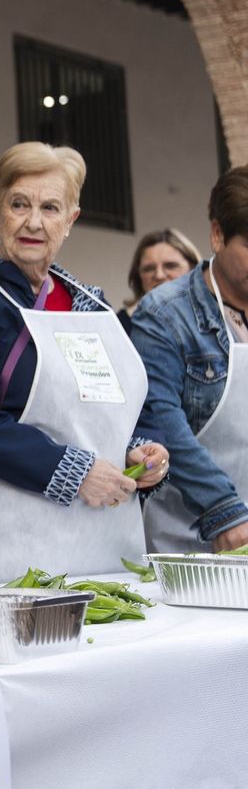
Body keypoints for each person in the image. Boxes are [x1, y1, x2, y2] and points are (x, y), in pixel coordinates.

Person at [0, 143, 168, 584]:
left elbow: (134, 401)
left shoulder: (91, 305)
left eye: (50, 207)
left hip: (104, 532)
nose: (34, 221)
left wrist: (146, 447)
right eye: (20, 204)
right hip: (3, 529)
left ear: (70, 219)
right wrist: (72, 471)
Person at [131, 170, 248, 553]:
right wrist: (225, 510)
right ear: (217, 234)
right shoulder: (164, 314)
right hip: (190, 537)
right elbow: (163, 420)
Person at [117, 228, 201, 332]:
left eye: (170, 266)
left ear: (194, 269)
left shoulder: (216, 317)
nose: (159, 275)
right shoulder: (119, 326)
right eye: (149, 269)